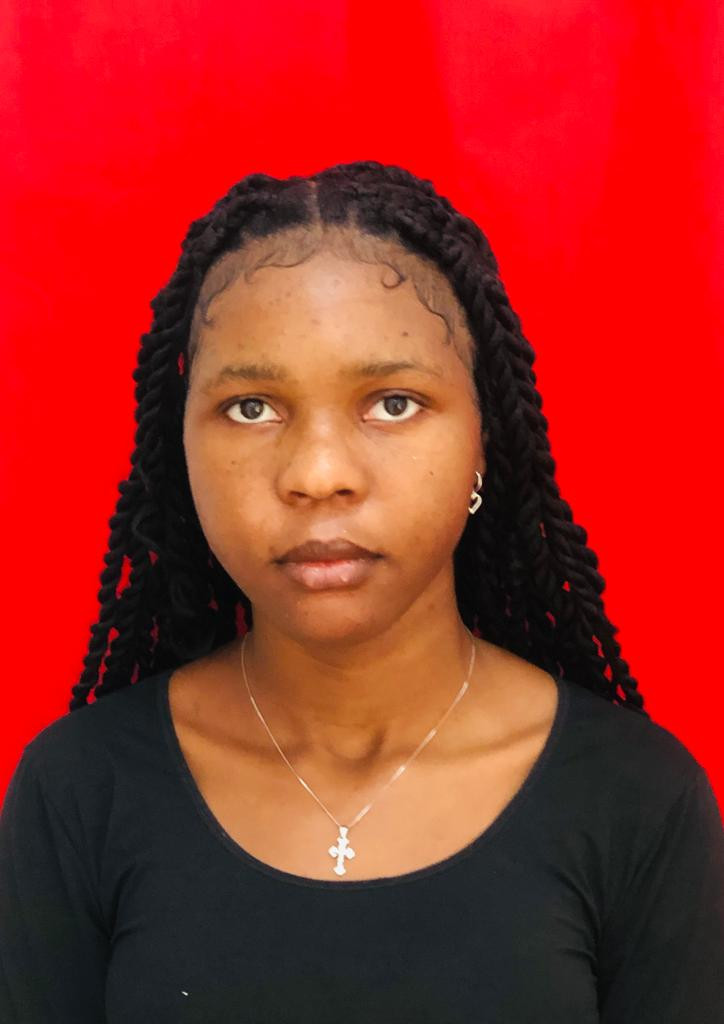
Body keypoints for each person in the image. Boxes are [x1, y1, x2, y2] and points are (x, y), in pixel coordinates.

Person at [1, 161, 722, 1023]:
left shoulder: (636, 800)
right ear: (180, 448)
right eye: (252, 408)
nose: (318, 474)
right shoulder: (80, 790)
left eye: (393, 403)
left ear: (484, 442)